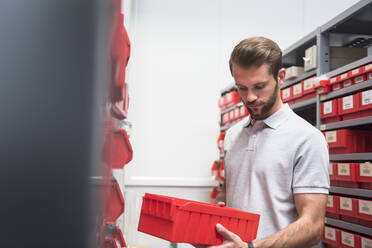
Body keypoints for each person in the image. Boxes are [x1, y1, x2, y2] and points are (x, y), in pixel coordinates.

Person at [197, 37, 330, 248]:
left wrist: (252, 247)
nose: (249, 97)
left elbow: (312, 226)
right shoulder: (232, 135)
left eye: (259, 86)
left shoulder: (307, 138)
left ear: (281, 77)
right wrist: (209, 226)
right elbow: (230, 192)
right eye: (242, 88)